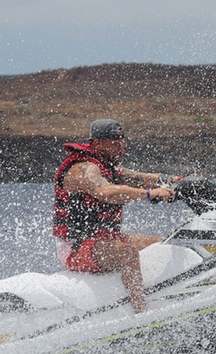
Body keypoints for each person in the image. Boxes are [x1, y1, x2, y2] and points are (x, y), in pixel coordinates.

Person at [53, 119, 181, 313]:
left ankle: (170, 296)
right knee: (127, 253)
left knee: (163, 243)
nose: (121, 146)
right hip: (76, 246)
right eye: (114, 141)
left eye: (122, 140)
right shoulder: (82, 169)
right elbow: (106, 192)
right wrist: (149, 194)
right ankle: (141, 313)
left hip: (106, 239)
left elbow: (144, 178)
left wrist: (175, 181)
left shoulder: (111, 168)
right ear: (96, 143)